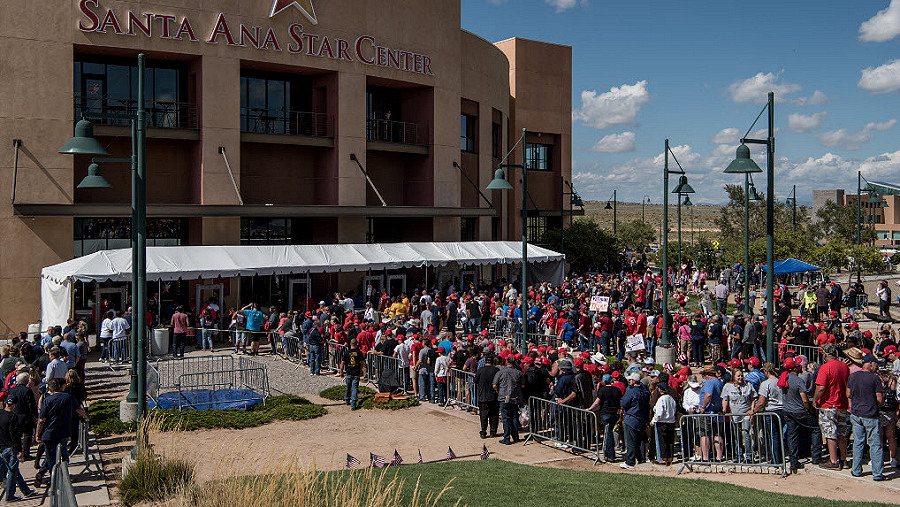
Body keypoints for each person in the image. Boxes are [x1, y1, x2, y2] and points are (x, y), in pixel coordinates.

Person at [34, 378, 87, 487]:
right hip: (64, 431)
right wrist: (85, 416)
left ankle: (52, 476)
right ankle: (57, 477)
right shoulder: (68, 397)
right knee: (62, 454)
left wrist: (38, 434)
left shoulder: (47, 400)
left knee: (50, 457)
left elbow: (42, 420)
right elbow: (79, 409)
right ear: (61, 386)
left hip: (49, 433)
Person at [847, 353, 886, 481]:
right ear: (870, 364)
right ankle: (877, 474)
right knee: (875, 445)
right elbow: (880, 399)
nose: (876, 366)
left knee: (858, 442)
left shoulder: (853, 376)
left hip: (856, 413)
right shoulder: (875, 379)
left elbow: (848, 394)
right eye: (875, 364)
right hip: (870, 414)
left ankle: (856, 470)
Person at [781, 357, 823, 471]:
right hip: (799, 411)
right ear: (795, 368)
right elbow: (804, 399)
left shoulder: (784, 378)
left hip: (787, 411)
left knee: (792, 435)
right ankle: (816, 456)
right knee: (816, 429)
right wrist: (809, 409)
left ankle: (794, 461)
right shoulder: (798, 380)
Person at [814, 343, 850, 470]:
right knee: (841, 433)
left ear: (825, 354)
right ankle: (844, 459)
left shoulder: (825, 368)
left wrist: (815, 400)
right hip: (842, 404)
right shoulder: (844, 366)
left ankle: (833, 460)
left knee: (830, 433)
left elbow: (821, 387)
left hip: (828, 404)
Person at [0, 396, 36, 501]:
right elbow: (14, 435)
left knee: (14, 469)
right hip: (11, 447)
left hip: (1, 446)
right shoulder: (13, 417)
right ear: (15, 405)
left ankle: (26, 491)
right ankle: (10, 495)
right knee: (12, 471)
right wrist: (20, 450)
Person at [750, 363, 784, 465]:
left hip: (771, 411)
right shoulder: (780, 381)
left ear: (766, 372)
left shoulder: (766, 384)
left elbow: (761, 402)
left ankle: (776, 460)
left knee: (773, 436)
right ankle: (780, 457)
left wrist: (754, 410)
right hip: (782, 410)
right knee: (780, 435)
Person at [722, 368, 757, 462]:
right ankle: (738, 456)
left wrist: (752, 410)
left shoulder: (748, 385)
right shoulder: (727, 386)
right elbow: (725, 399)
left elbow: (753, 398)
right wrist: (724, 409)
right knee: (736, 436)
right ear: (733, 376)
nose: (740, 377)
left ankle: (749, 456)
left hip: (746, 413)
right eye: (738, 376)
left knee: (746, 434)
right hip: (735, 414)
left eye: (741, 375)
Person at [619, 372, 650, 469]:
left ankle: (630, 461)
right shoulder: (644, 391)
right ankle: (641, 459)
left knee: (631, 441)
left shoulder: (631, 391)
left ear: (633, 381)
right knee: (641, 439)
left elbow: (624, 403)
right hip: (641, 418)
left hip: (632, 418)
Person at [590, 373, 623, 462]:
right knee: (610, 433)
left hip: (606, 414)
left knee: (607, 435)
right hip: (614, 414)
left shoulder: (603, 390)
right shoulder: (617, 390)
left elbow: (597, 402)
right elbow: (620, 402)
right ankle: (609, 454)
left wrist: (590, 408)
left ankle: (609, 455)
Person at [492, 356, 524, 445]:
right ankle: (515, 437)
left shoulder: (500, 372)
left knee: (506, 418)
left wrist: (498, 391)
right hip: (514, 397)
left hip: (503, 397)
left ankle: (507, 438)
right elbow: (523, 385)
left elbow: (494, 385)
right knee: (514, 417)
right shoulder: (518, 373)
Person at [650, 381, 676, 466]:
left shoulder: (661, 399)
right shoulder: (671, 398)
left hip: (662, 422)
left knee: (662, 441)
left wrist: (653, 421)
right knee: (670, 441)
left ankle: (663, 459)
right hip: (671, 422)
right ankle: (670, 457)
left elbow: (659, 413)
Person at [474, 356, 500, 439]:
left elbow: (475, 380)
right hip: (493, 396)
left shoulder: (481, 370)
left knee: (483, 415)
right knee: (494, 415)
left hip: (483, 395)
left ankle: (483, 431)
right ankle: (493, 431)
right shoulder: (496, 370)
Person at [339, 338, 365, 410]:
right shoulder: (359, 353)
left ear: (350, 344)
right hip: (356, 372)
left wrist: (341, 371)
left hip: (349, 372)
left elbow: (342, 363)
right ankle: (353, 404)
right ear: (356, 344)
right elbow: (362, 363)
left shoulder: (347, 352)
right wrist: (360, 369)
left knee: (348, 386)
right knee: (354, 388)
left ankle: (347, 400)